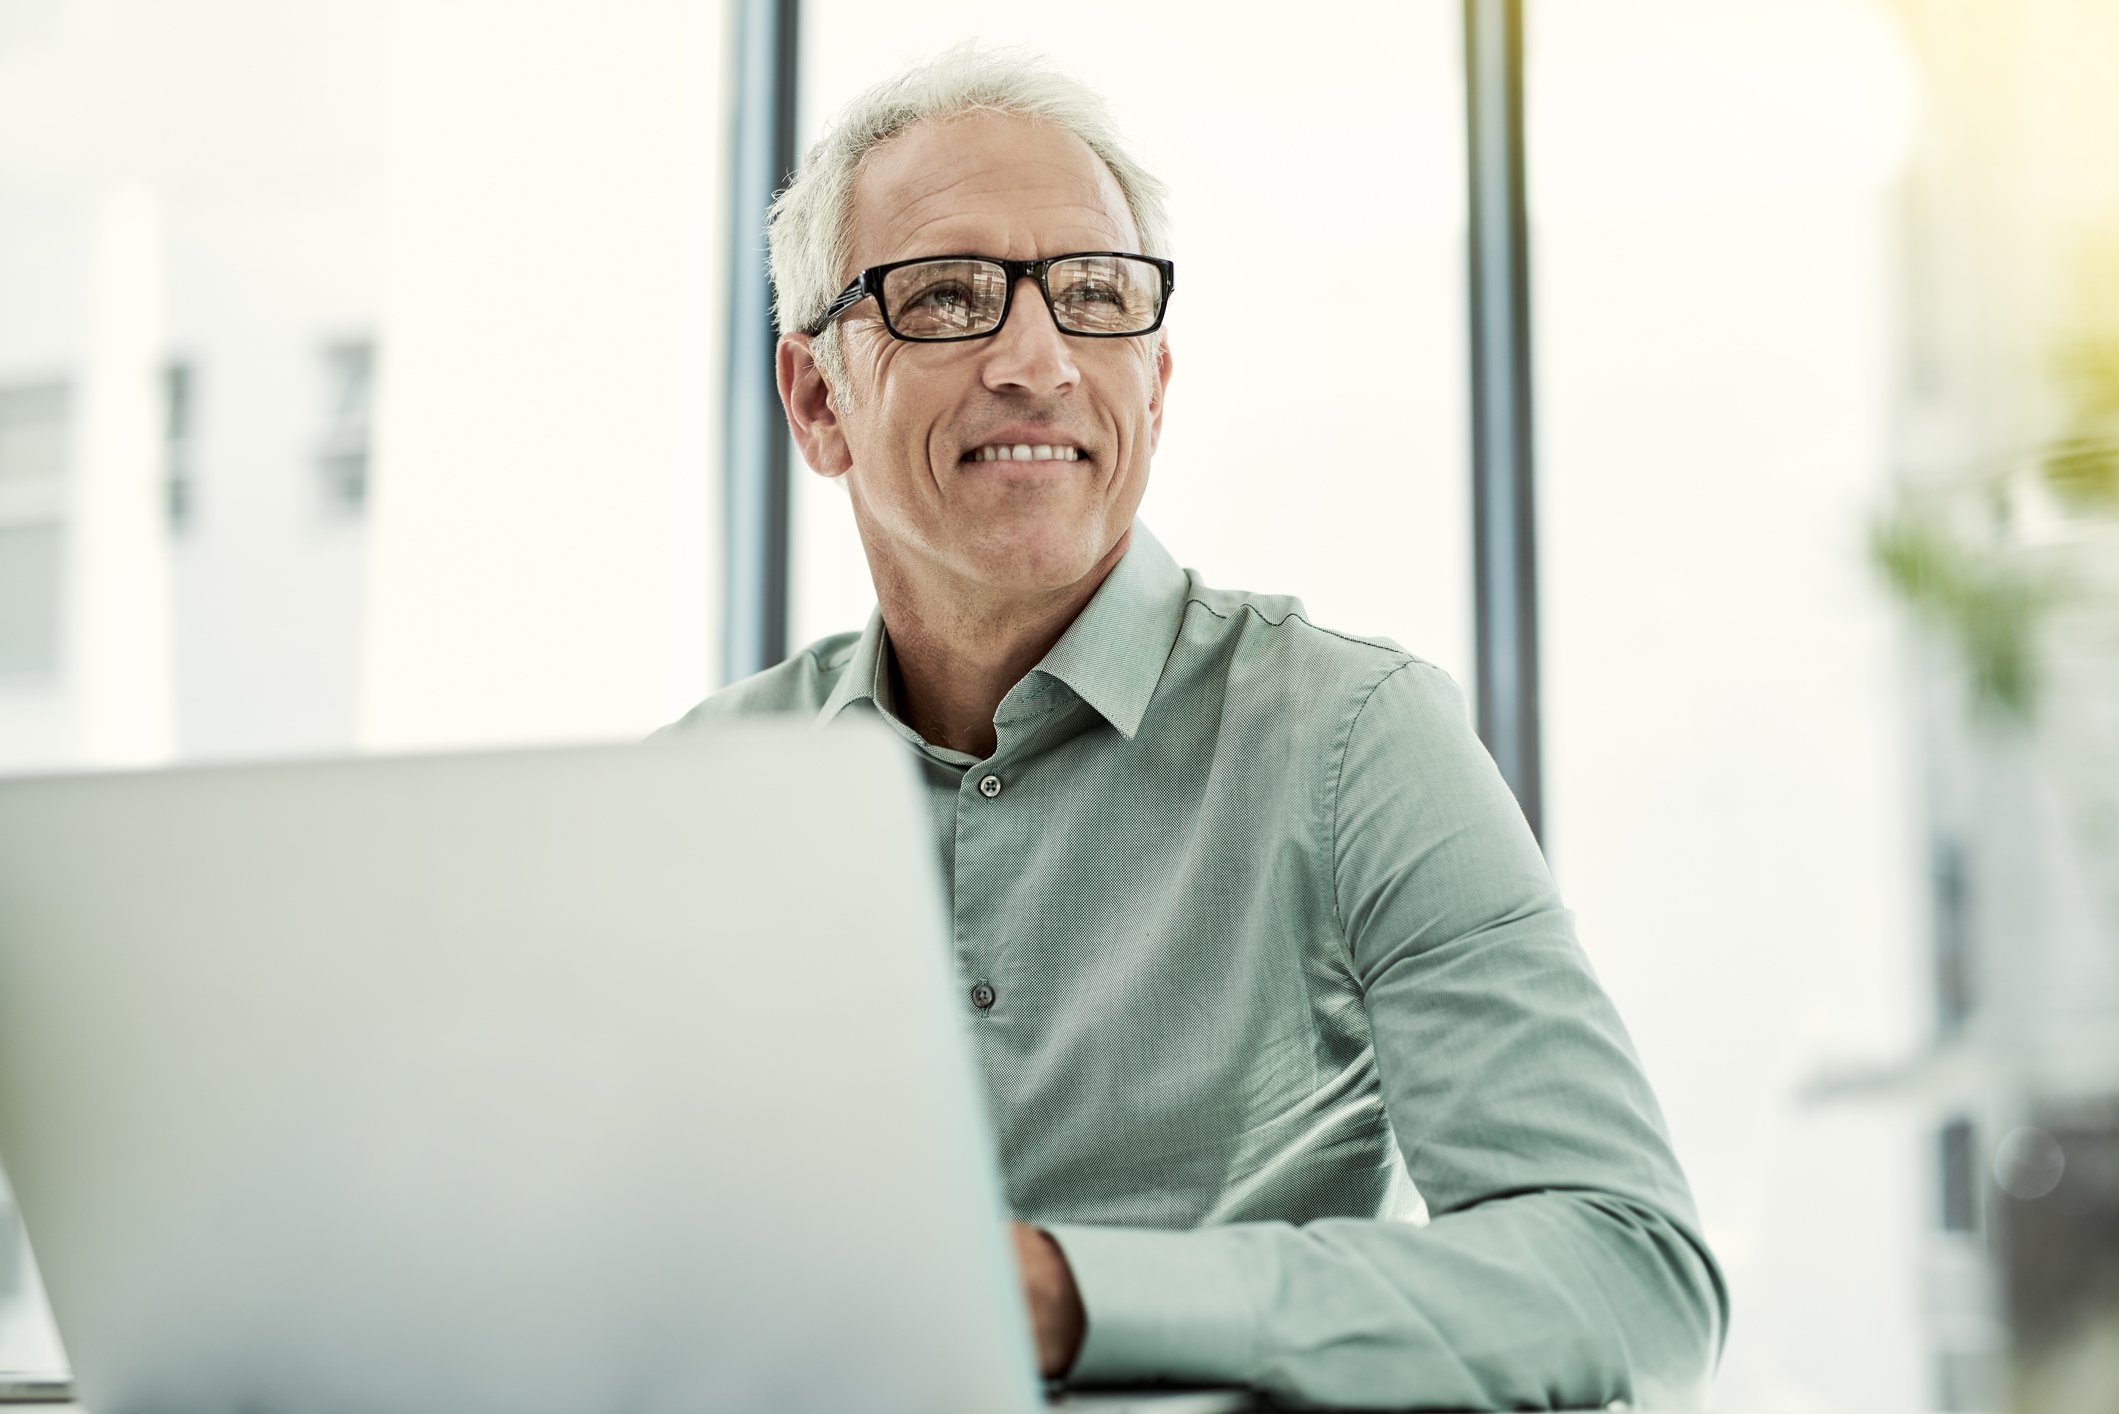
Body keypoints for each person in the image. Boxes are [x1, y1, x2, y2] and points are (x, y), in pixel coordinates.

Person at [662, 43, 1728, 1410]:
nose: (1038, 361)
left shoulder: (1354, 739)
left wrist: (1071, 1293)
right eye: (947, 296)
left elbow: (1632, 1278)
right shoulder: (707, 788)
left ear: (1154, 386)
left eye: (1095, 297)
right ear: (816, 400)